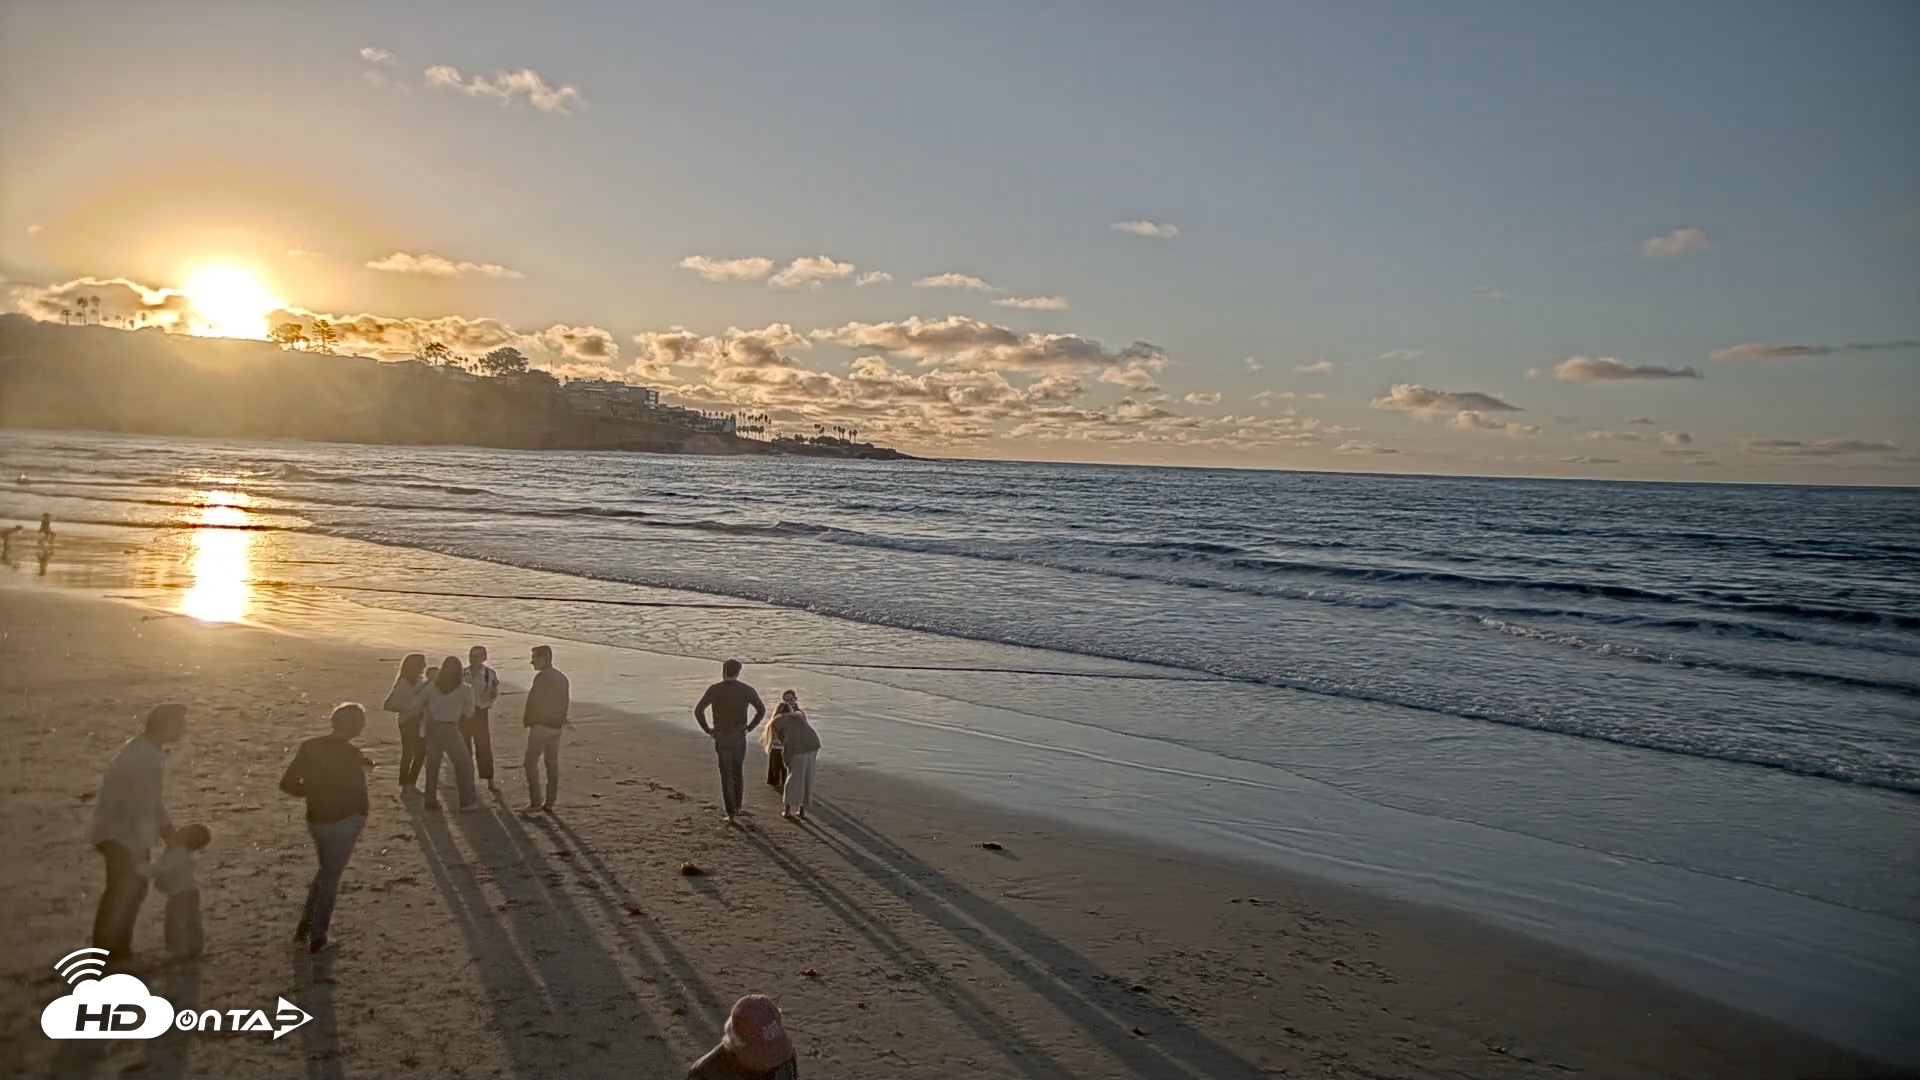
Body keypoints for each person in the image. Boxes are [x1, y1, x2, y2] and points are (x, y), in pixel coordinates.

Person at [88, 704, 187, 959]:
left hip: (115, 831)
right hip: (122, 834)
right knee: (126, 890)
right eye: (180, 723)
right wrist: (139, 847)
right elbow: (141, 805)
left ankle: (112, 948)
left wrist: (166, 831)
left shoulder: (143, 750)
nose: (184, 728)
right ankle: (110, 952)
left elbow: (150, 801)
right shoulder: (146, 758)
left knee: (126, 889)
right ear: (166, 726)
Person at [279, 703, 371, 954]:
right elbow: (355, 790)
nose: (363, 726)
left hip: (316, 818)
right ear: (351, 725)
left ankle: (304, 928)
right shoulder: (351, 753)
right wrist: (361, 813)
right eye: (360, 721)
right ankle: (319, 935)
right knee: (330, 878)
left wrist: (313, 791)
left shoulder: (310, 746)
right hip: (344, 820)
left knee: (324, 874)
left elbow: (287, 783)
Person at [694, 659, 766, 823]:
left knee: (726, 773)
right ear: (738, 672)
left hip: (721, 735)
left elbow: (698, 710)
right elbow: (761, 710)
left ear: (724, 670)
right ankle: (738, 806)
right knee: (737, 771)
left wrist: (707, 729)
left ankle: (731, 812)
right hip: (739, 734)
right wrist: (751, 726)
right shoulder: (746, 689)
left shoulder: (715, 689)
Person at [687, 994, 798, 1080]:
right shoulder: (705, 1075)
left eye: (775, 1045)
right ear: (736, 1044)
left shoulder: (784, 1057)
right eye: (763, 1053)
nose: (776, 1059)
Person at [142, 824, 211, 959]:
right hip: (190, 891)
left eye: (184, 831)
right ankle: (195, 946)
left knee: (174, 922)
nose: (179, 830)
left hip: (179, 894)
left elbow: (160, 869)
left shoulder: (176, 853)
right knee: (192, 920)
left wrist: (140, 867)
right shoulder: (184, 853)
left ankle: (176, 951)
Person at [419, 656, 478, 811]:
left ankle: (430, 800)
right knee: (464, 764)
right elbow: (469, 712)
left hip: (433, 726)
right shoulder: (465, 689)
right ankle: (467, 802)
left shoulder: (432, 687)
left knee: (433, 765)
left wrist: (429, 711)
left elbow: (415, 705)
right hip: (450, 727)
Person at [522, 645, 570, 813]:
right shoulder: (561, 677)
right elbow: (565, 702)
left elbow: (536, 701)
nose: (532, 661)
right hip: (556, 726)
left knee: (530, 762)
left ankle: (536, 801)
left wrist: (530, 720)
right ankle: (550, 801)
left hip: (541, 725)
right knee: (552, 764)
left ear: (543, 658)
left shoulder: (542, 677)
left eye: (534, 657)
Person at [769, 693, 821, 821]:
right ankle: (802, 811)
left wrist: (787, 762)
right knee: (806, 778)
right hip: (813, 745)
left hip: (798, 749)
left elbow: (785, 742)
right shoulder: (800, 715)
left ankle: (787, 811)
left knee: (793, 778)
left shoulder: (776, 721)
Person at [382, 653, 430, 792]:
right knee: (409, 753)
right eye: (422, 664)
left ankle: (411, 783)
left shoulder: (421, 681)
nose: (424, 666)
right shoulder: (403, 683)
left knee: (421, 753)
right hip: (407, 722)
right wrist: (409, 710)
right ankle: (405, 785)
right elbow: (388, 704)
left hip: (421, 722)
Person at [463, 645, 501, 793]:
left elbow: (494, 691)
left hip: (480, 711)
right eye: (472, 655)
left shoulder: (489, 674)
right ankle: (467, 778)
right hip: (465, 713)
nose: (474, 658)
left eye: (477, 655)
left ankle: (489, 778)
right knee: (465, 747)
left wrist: (488, 701)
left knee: (483, 746)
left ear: (484, 657)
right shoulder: (463, 673)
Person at [760, 701, 788, 790]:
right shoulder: (787, 722)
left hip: (775, 748)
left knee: (775, 767)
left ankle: (776, 782)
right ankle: (783, 783)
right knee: (784, 768)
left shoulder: (773, 721)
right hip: (783, 748)